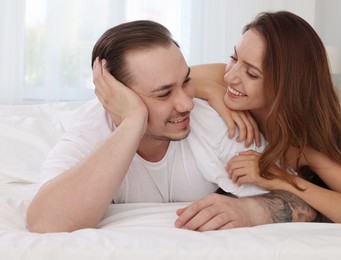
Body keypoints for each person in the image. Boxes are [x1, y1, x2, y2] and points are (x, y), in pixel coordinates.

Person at [26, 20, 318, 233]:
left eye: (186, 81)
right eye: (163, 94)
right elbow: (45, 222)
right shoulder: (92, 129)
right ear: (115, 97)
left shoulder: (214, 121)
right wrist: (132, 122)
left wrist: (253, 210)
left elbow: (308, 200)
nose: (186, 104)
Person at [190, 11, 341, 230]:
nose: (231, 76)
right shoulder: (224, 77)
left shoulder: (304, 145)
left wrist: (280, 178)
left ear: (286, 87)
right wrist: (210, 89)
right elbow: (158, 84)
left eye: (252, 74)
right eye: (234, 57)